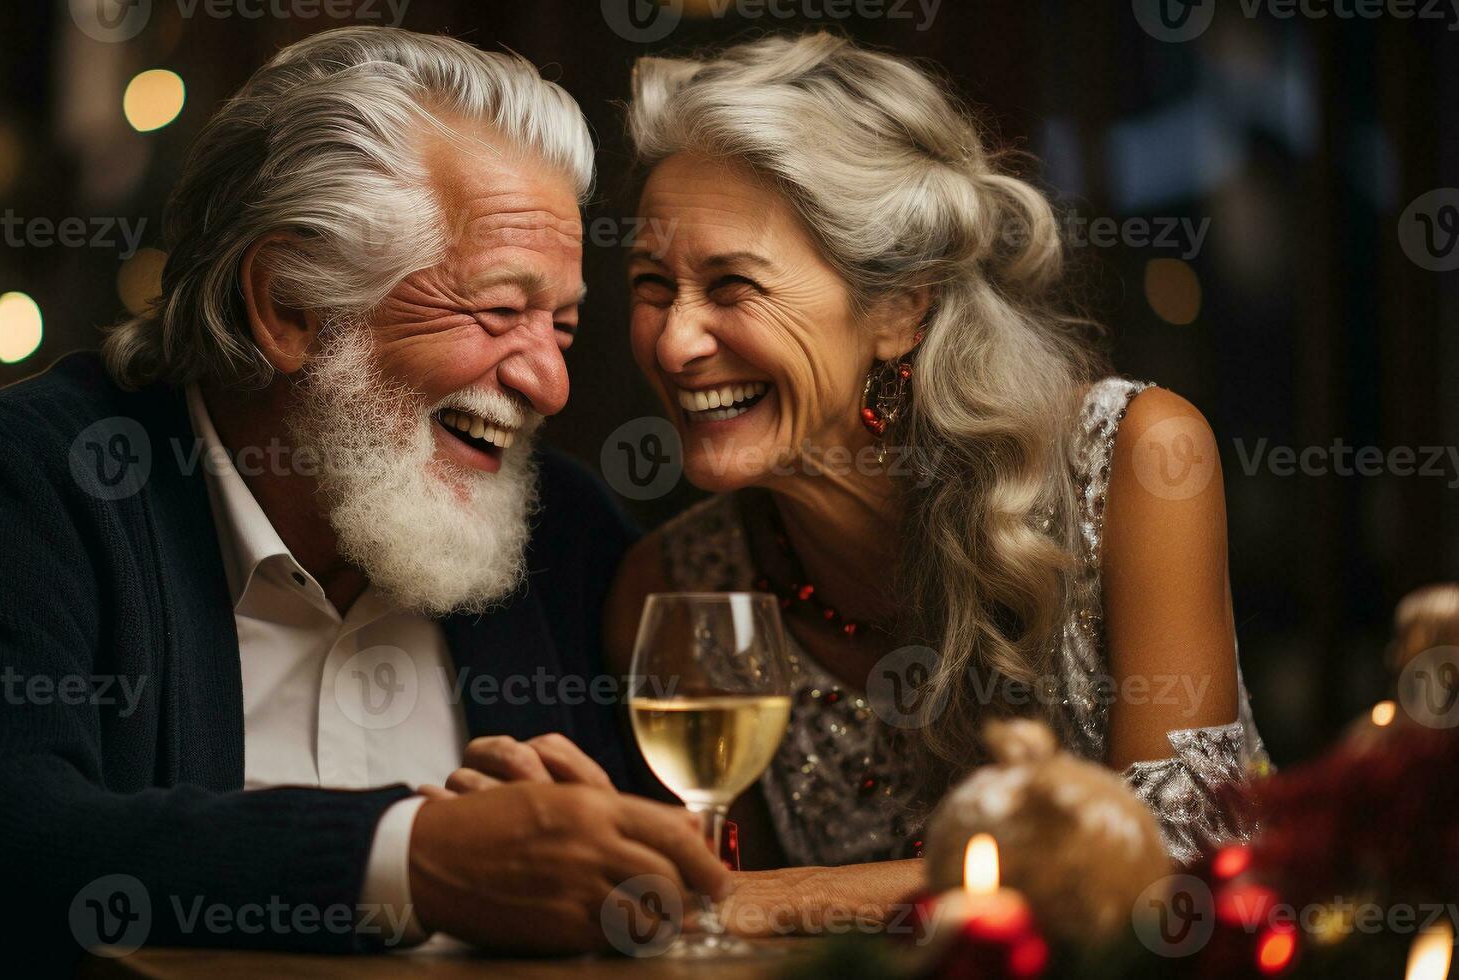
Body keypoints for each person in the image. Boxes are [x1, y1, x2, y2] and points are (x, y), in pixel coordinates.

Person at [0, 27, 725, 976]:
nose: (549, 384)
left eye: (562, 326)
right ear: (285, 304)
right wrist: (410, 859)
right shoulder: (11, 487)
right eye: (497, 311)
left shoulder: (564, 533)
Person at [455, 32, 1270, 934]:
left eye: (732, 286)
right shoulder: (677, 591)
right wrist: (602, 847)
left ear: (898, 306)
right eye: (653, 285)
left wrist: (755, 901)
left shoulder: (1134, 462)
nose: (676, 342)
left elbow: (1178, 861)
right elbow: (708, 931)